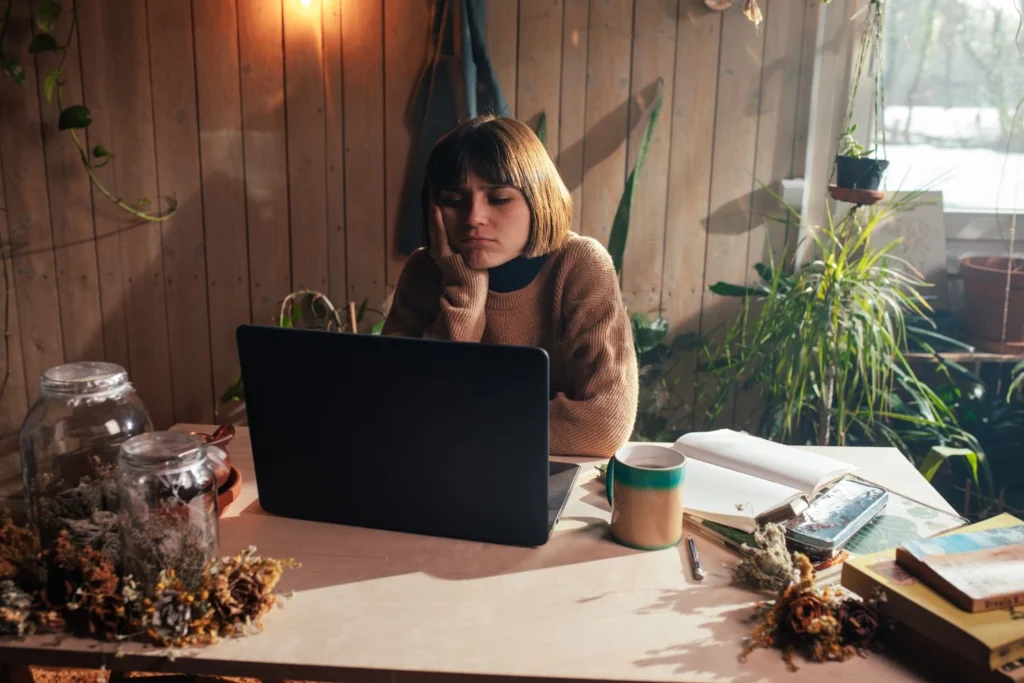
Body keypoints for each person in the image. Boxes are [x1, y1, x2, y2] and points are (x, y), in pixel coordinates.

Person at [382, 115, 638, 457]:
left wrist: (456, 418)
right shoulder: (423, 271)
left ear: (538, 199)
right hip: (441, 469)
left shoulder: (580, 265)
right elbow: (393, 408)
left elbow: (604, 424)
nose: (474, 217)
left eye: (499, 198)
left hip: (550, 471)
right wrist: (465, 290)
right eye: (455, 200)